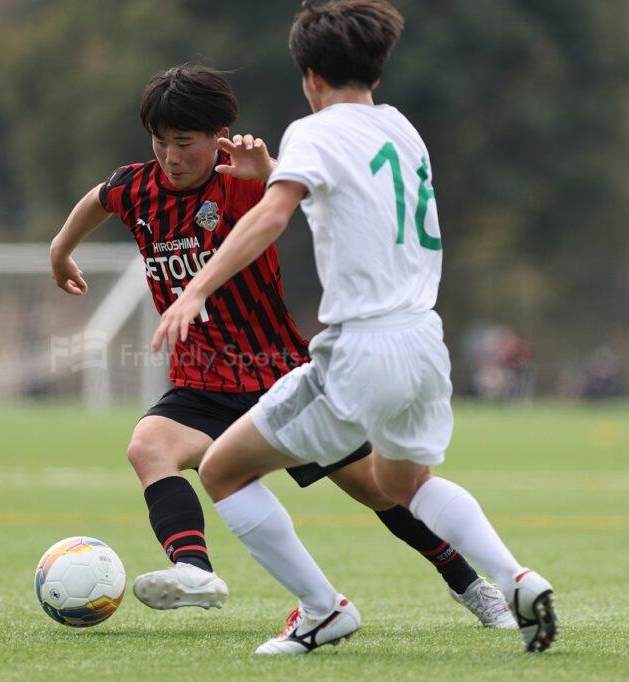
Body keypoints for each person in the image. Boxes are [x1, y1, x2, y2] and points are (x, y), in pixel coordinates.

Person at [154, 1, 557, 655]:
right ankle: (516, 577)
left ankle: (322, 609)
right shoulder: (401, 129)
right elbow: (349, 195)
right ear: (377, 67)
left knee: (223, 470)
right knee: (403, 485)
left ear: (309, 75)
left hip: (362, 347)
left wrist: (196, 287)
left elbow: (269, 219)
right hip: (425, 342)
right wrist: (277, 172)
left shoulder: (313, 131)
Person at [51, 64, 512, 628]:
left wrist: (267, 169)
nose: (170, 156)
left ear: (219, 136)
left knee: (376, 489)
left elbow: (299, 199)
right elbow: (99, 198)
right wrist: (60, 249)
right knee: (148, 447)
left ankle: (471, 586)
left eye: (184, 143)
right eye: (160, 141)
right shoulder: (138, 186)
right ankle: (194, 569)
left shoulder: (242, 182)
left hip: (279, 375)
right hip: (202, 383)